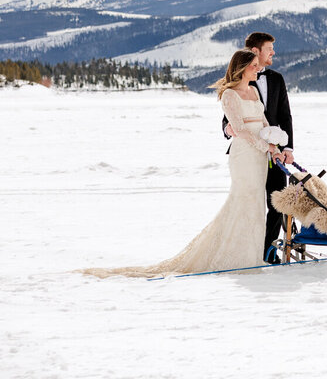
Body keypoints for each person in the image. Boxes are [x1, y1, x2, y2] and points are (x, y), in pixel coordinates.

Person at [82, 49, 286, 278]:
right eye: (253, 65)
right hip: (244, 156)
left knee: (257, 204)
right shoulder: (230, 95)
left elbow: (264, 122)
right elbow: (238, 130)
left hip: (259, 157)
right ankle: (236, 257)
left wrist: (275, 146)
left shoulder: (254, 91)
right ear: (241, 68)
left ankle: (250, 255)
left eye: (258, 65)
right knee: (244, 201)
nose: (258, 68)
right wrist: (264, 146)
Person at [223, 32, 294, 263]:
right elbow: (230, 119)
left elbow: (284, 115)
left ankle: (267, 252)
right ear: (255, 51)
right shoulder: (233, 88)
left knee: (276, 203)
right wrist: (228, 130)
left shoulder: (276, 79)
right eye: (269, 49)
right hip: (247, 152)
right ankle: (243, 251)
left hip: (272, 152)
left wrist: (286, 149)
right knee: (249, 201)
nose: (273, 53)